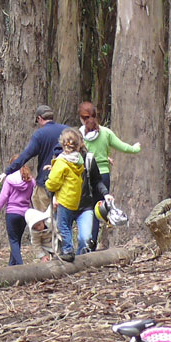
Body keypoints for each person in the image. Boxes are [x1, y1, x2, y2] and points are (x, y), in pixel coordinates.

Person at [0, 104, 67, 256]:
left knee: (44, 220)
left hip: (44, 183)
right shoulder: (66, 131)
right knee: (62, 220)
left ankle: (50, 254)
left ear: (40, 119)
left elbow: (25, 155)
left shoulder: (40, 135)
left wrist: (8, 171)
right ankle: (65, 250)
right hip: (64, 184)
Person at [78, 101, 139, 245]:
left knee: (86, 210)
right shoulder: (105, 133)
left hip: (84, 176)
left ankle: (84, 241)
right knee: (98, 209)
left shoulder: (78, 135)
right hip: (102, 177)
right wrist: (135, 148)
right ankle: (92, 241)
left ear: (81, 118)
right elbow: (123, 147)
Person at [0, 158, 36, 266]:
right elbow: (33, 198)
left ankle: (21, 266)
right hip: (24, 215)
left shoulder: (9, 179)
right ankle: (11, 267)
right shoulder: (31, 180)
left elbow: (2, 199)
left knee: (13, 241)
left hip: (12, 214)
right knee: (17, 242)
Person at [45, 128, 85, 263]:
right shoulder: (78, 161)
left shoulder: (62, 162)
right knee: (67, 225)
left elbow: (54, 181)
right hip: (73, 199)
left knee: (62, 226)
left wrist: (48, 185)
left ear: (63, 144)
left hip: (64, 198)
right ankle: (64, 249)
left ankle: (68, 250)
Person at [74, 142, 112, 255]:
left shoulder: (88, 159)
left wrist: (105, 193)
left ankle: (80, 258)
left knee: (85, 239)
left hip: (85, 203)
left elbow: (96, 181)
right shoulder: (61, 160)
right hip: (65, 204)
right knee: (64, 239)